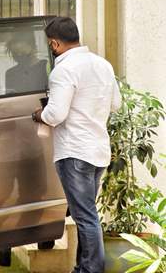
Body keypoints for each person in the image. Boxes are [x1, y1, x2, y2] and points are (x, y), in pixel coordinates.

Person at [32, 17, 121, 273]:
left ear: (55, 43)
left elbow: (55, 115)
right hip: (98, 151)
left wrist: (40, 114)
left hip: (74, 152)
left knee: (85, 217)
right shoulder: (102, 65)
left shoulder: (63, 70)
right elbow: (116, 104)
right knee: (87, 214)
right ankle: (83, 267)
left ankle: (90, 270)